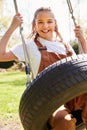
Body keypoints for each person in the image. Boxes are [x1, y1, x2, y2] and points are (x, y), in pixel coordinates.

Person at [0, 7, 87, 130]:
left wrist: (83, 41)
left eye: (49, 21)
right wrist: (13, 26)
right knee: (64, 122)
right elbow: (1, 55)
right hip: (50, 99)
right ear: (35, 25)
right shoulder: (30, 46)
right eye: (40, 22)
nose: (45, 26)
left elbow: (83, 68)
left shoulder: (65, 46)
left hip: (74, 94)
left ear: (55, 23)